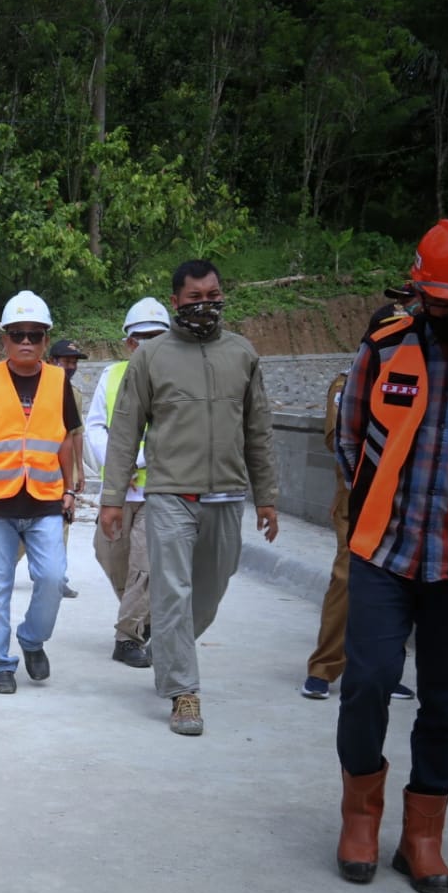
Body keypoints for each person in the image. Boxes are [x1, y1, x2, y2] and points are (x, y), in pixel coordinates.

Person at [333, 218, 448, 893]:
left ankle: (423, 837)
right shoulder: (384, 348)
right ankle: (360, 818)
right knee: (368, 683)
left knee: (445, 701)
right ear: (420, 293)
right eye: (444, 304)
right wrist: (370, 503)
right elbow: (349, 435)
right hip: (384, 553)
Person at [100, 260, 279, 736]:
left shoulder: (242, 354)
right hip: (169, 494)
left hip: (226, 495)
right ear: (176, 301)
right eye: (195, 297)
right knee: (172, 591)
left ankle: (166, 644)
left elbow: (258, 430)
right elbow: (125, 431)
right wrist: (112, 498)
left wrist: (266, 496)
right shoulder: (151, 356)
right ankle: (184, 692)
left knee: (210, 593)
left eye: (213, 295)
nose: (206, 304)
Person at [0, 290, 79, 695]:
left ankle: (31, 637)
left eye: (35, 334)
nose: (26, 341)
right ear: (4, 339)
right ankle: (0, 664)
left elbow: (65, 438)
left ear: (46, 340)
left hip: (45, 500)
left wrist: (70, 487)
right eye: (17, 334)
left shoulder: (58, 381)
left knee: (52, 577)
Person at [301, 362, 414, 702]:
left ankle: (384, 672)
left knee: (400, 584)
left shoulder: (422, 375)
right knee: (346, 576)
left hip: (409, 498)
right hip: (359, 497)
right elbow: (336, 439)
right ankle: (323, 668)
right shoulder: (349, 382)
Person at [85, 298, 170, 669]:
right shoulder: (112, 375)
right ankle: (142, 615)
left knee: (144, 563)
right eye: (140, 338)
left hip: (159, 489)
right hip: (118, 490)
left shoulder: (177, 380)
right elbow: (94, 427)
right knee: (108, 553)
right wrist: (120, 463)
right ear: (129, 343)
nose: (147, 345)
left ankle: (127, 638)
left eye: (156, 337)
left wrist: (139, 460)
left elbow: (178, 433)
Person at [47, 337, 87, 599]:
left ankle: (58, 577)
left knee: (63, 519)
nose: (71, 366)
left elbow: (76, 433)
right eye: (66, 361)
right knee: (25, 525)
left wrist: (79, 470)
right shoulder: (38, 389)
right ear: (52, 361)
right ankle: (3, 570)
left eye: (74, 362)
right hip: (40, 467)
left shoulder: (75, 395)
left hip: (65, 469)